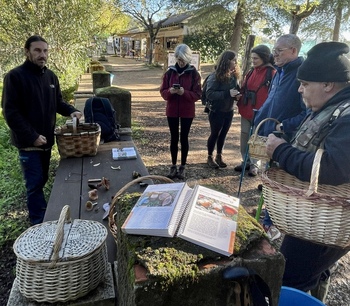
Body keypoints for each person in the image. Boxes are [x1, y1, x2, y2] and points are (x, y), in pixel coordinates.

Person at [265, 41, 350, 303]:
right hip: (318, 214)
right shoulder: (333, 107)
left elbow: (333, 168)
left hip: (328, 218)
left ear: (328, 84)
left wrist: (280, 151)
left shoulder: (347, 115)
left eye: (305, 84)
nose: (300, 89)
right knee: (314, 273)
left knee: (289, 277)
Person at [1, 35, 82, 225]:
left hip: (47, 142)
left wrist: (73, 111)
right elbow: (10, 113)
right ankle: (38, 223)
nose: (42, 55)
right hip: (29, 145)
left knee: (42, 179)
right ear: (26, 52)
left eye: (45, 51)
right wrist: (32, 136)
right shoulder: (15, 76)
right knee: (34, 184)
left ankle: (41, 213)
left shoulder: (50, 76)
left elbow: (58, 102)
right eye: (37, 50)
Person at [253, 34, 307, 241]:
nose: (274, 54)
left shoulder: (301, 74)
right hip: (269, 134)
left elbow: (306, 112)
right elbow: (272, 99)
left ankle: (270, 223)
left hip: (286, 139)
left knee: (279, 181)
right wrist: (259, 116)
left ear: (293, 51)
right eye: (274, 50)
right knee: (267, 177)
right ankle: (267, 219)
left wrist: (284, 126)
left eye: (279, 50)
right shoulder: (279, 71)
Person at [160, 44, 201, 179]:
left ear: (188, 58)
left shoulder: (194, 74)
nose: (180, 62)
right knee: (173, 138)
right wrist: (170, 92)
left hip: (187, 111)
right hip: (172, 110)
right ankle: (173, 165)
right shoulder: (169, 73)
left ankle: (182, 166)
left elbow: (197, 94)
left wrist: (184, 93)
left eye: (182, 59)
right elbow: (163, 92)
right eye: (178, 59)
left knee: (184, 138)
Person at [235, 45, 276, 176]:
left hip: (260, 112)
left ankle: (254, 164)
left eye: (256, 58)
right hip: (246, 109)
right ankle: (245, 161)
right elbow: (244, 87)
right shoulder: (251, 72)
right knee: (244, 135)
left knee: (256, 138)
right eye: (252, 58)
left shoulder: (272, 73)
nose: (253, 60)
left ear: (264, 58)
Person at [205, 50, 241, 169]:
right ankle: (209, 157)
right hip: (216, 111)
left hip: (229, 110)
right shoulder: (215, 76)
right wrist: (227, 93)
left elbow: (236, 90)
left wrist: (237, 95)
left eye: (236, 60)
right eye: (233, 60)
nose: (236, 63)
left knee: (223, 134)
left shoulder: (234, 76)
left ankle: (219, 156)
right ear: (227, 61)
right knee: (215, 134)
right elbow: (209, 94)